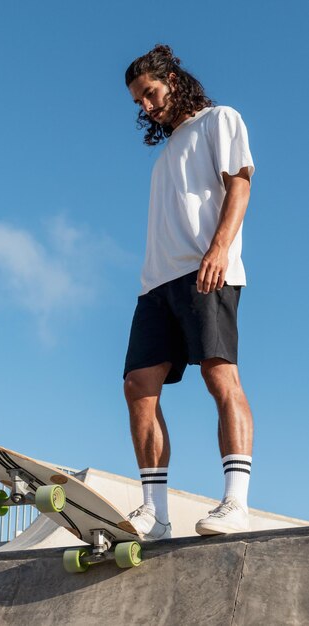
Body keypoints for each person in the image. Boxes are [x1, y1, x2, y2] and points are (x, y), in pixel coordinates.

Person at [123, 44, 255, 540]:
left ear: (172, 81)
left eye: (150, 94)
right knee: (138, 386)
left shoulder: (219, 120)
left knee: (220, 377)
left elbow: (239, 185)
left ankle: (235, 504)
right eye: (138, 101)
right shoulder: (166, 152)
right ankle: (154, 514)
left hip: (207, 270)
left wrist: (219, 250)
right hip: (156, 284)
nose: (146, 106)